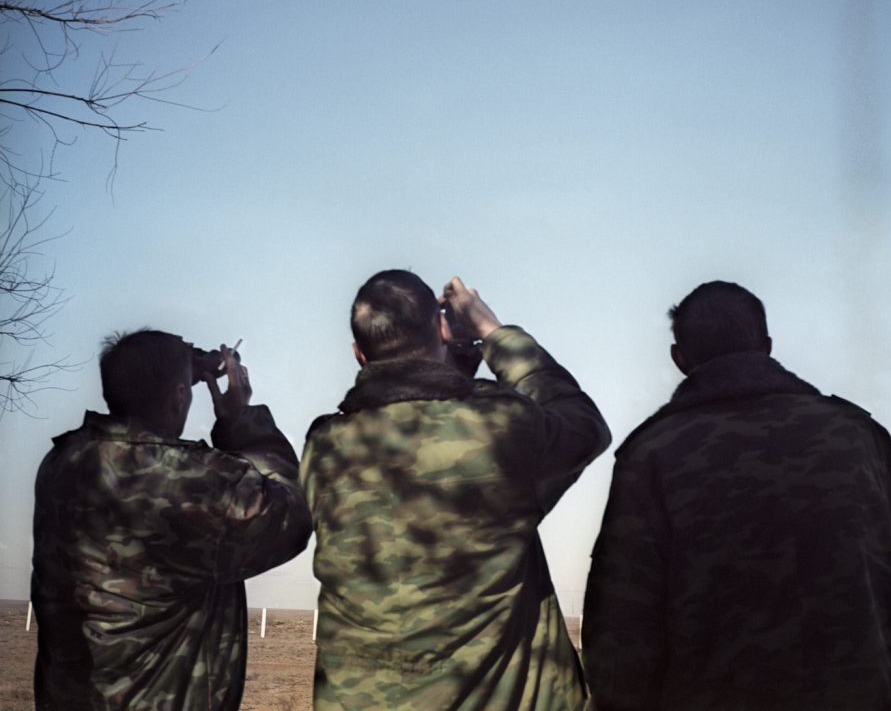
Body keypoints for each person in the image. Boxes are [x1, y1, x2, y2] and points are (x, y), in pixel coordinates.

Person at [583, 281, 891, 711]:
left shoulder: (651, 453)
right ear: (766, 346)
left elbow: (620, 626)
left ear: (679, 359)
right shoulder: (859, 435)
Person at [301, 271, 611, 710]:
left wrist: (454, 368)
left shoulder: (324, 447)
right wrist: (491, 331)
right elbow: (583, 427)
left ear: (358, 353)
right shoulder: (498, 426)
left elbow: (422, 426)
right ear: (443, 328)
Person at [32, 329, 312, 711]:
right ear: (181, 396)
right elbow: (290, 514)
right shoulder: (178, 478)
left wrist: (177, 366)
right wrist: (240, 417)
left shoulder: (64, 463)